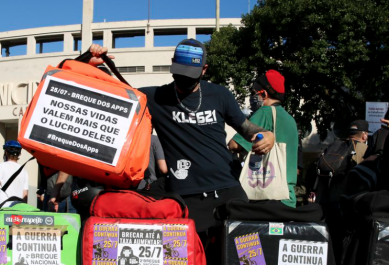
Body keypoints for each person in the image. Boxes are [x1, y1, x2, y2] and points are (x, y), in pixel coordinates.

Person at [88, 40, 273, 236]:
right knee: (192, 264)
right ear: (172, 64)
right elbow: (109, 97)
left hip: (228, 192)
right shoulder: (155, 97)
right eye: (179, 73)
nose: (184, 79)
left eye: (191, 74)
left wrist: (265, 134)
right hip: (185, 200)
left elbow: (246, 127)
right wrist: (92, 65)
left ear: (204, 70)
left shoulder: (219, 94)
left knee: (247, 262)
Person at [229, 70, 298, 207]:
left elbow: (234, 145)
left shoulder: (264, 113)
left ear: (264, 94)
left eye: (255, 93)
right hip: (287, 196)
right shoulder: (290, 119)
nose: (253, 98)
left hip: (266, 198)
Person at [0, 140, 29, 210]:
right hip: (17, 207)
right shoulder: (24, 171)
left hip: (2, 205)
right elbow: (25, 195)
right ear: (19, 153)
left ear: (6, 152)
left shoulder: (2, 165)